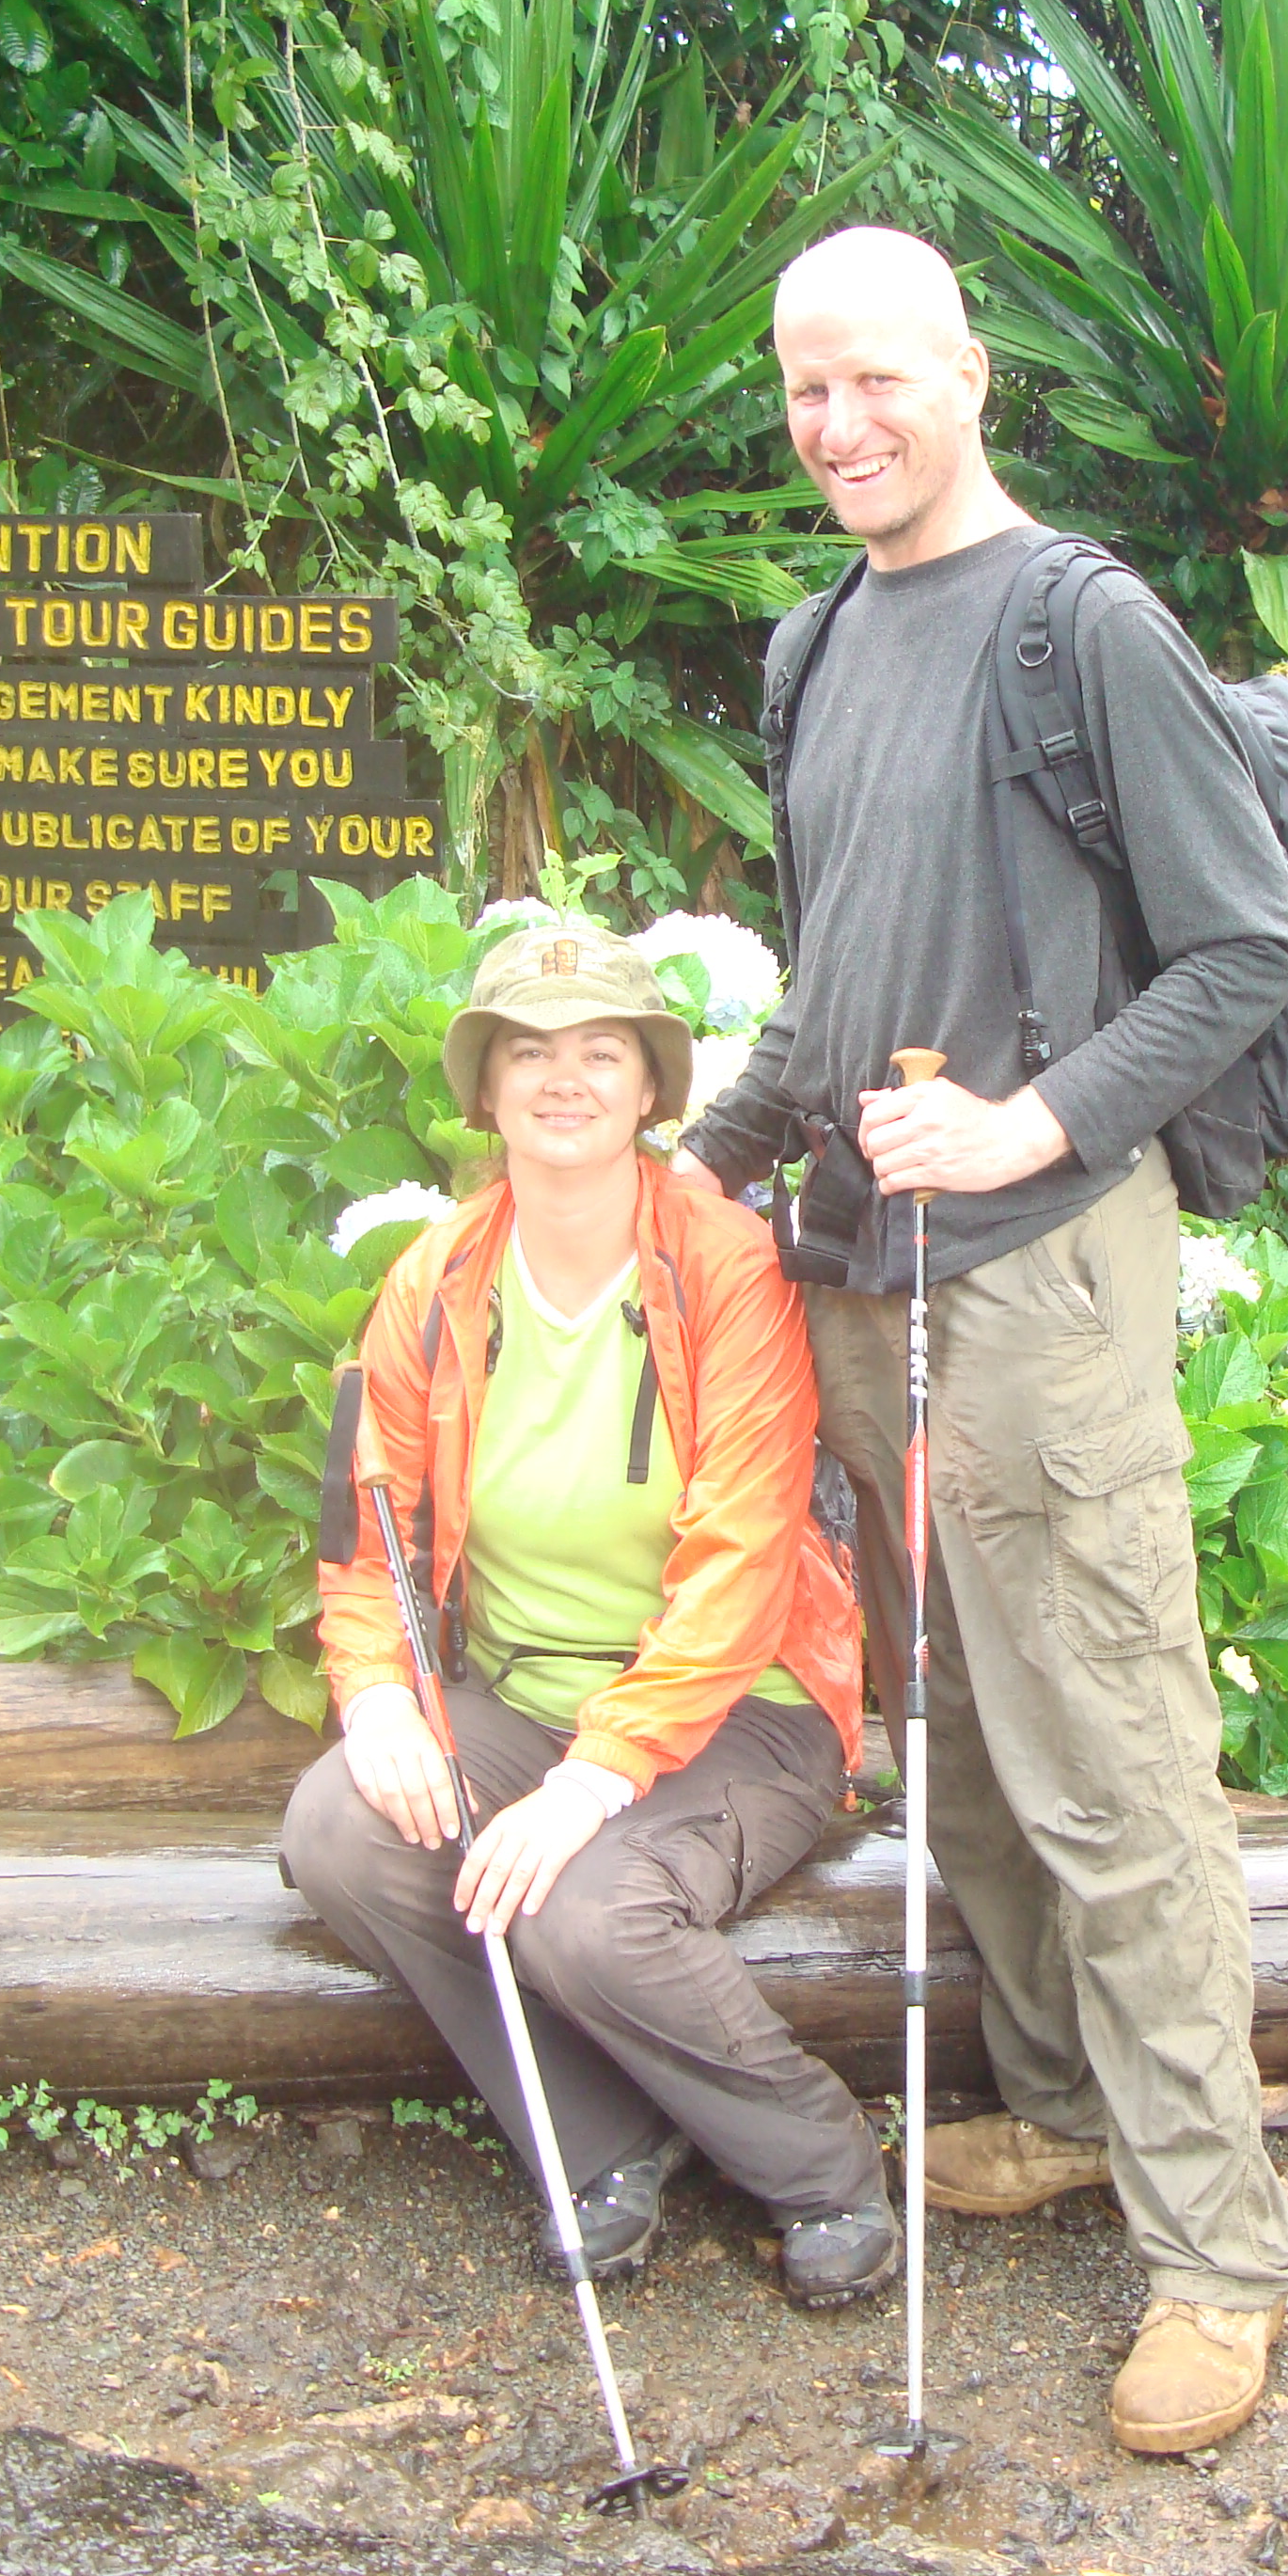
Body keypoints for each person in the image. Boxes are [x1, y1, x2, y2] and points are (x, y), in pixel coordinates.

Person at [672, 224, 1288, 2454]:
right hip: (859, 1275)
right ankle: (1052, 2111)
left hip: (1035, 1272)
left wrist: (1028, 1119)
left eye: (877, 379)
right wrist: (701, 1162)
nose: (838, 425)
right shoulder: (815, 643)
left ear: (967, 374)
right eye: (804, 390)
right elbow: (834, 968)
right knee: (955, 1743)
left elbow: (1242, 949)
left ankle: (1213, 2259)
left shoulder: (1080, 622)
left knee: (1109, 1761)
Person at [280, 919, 898, 2307]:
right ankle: (603, 2142)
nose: (564, 1079)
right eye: (529, 1053)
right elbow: (364, 1527)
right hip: (523, 1695)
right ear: (485, 1090)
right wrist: (376, 1697)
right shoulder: (436, 1280)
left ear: (652, 1088)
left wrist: (592, 1781)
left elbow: (743, 1556)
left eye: (602, 1052)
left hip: (739, 1712)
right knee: (339, 1829)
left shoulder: (725, 1267)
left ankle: (822, 2168)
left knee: (584, 1913)